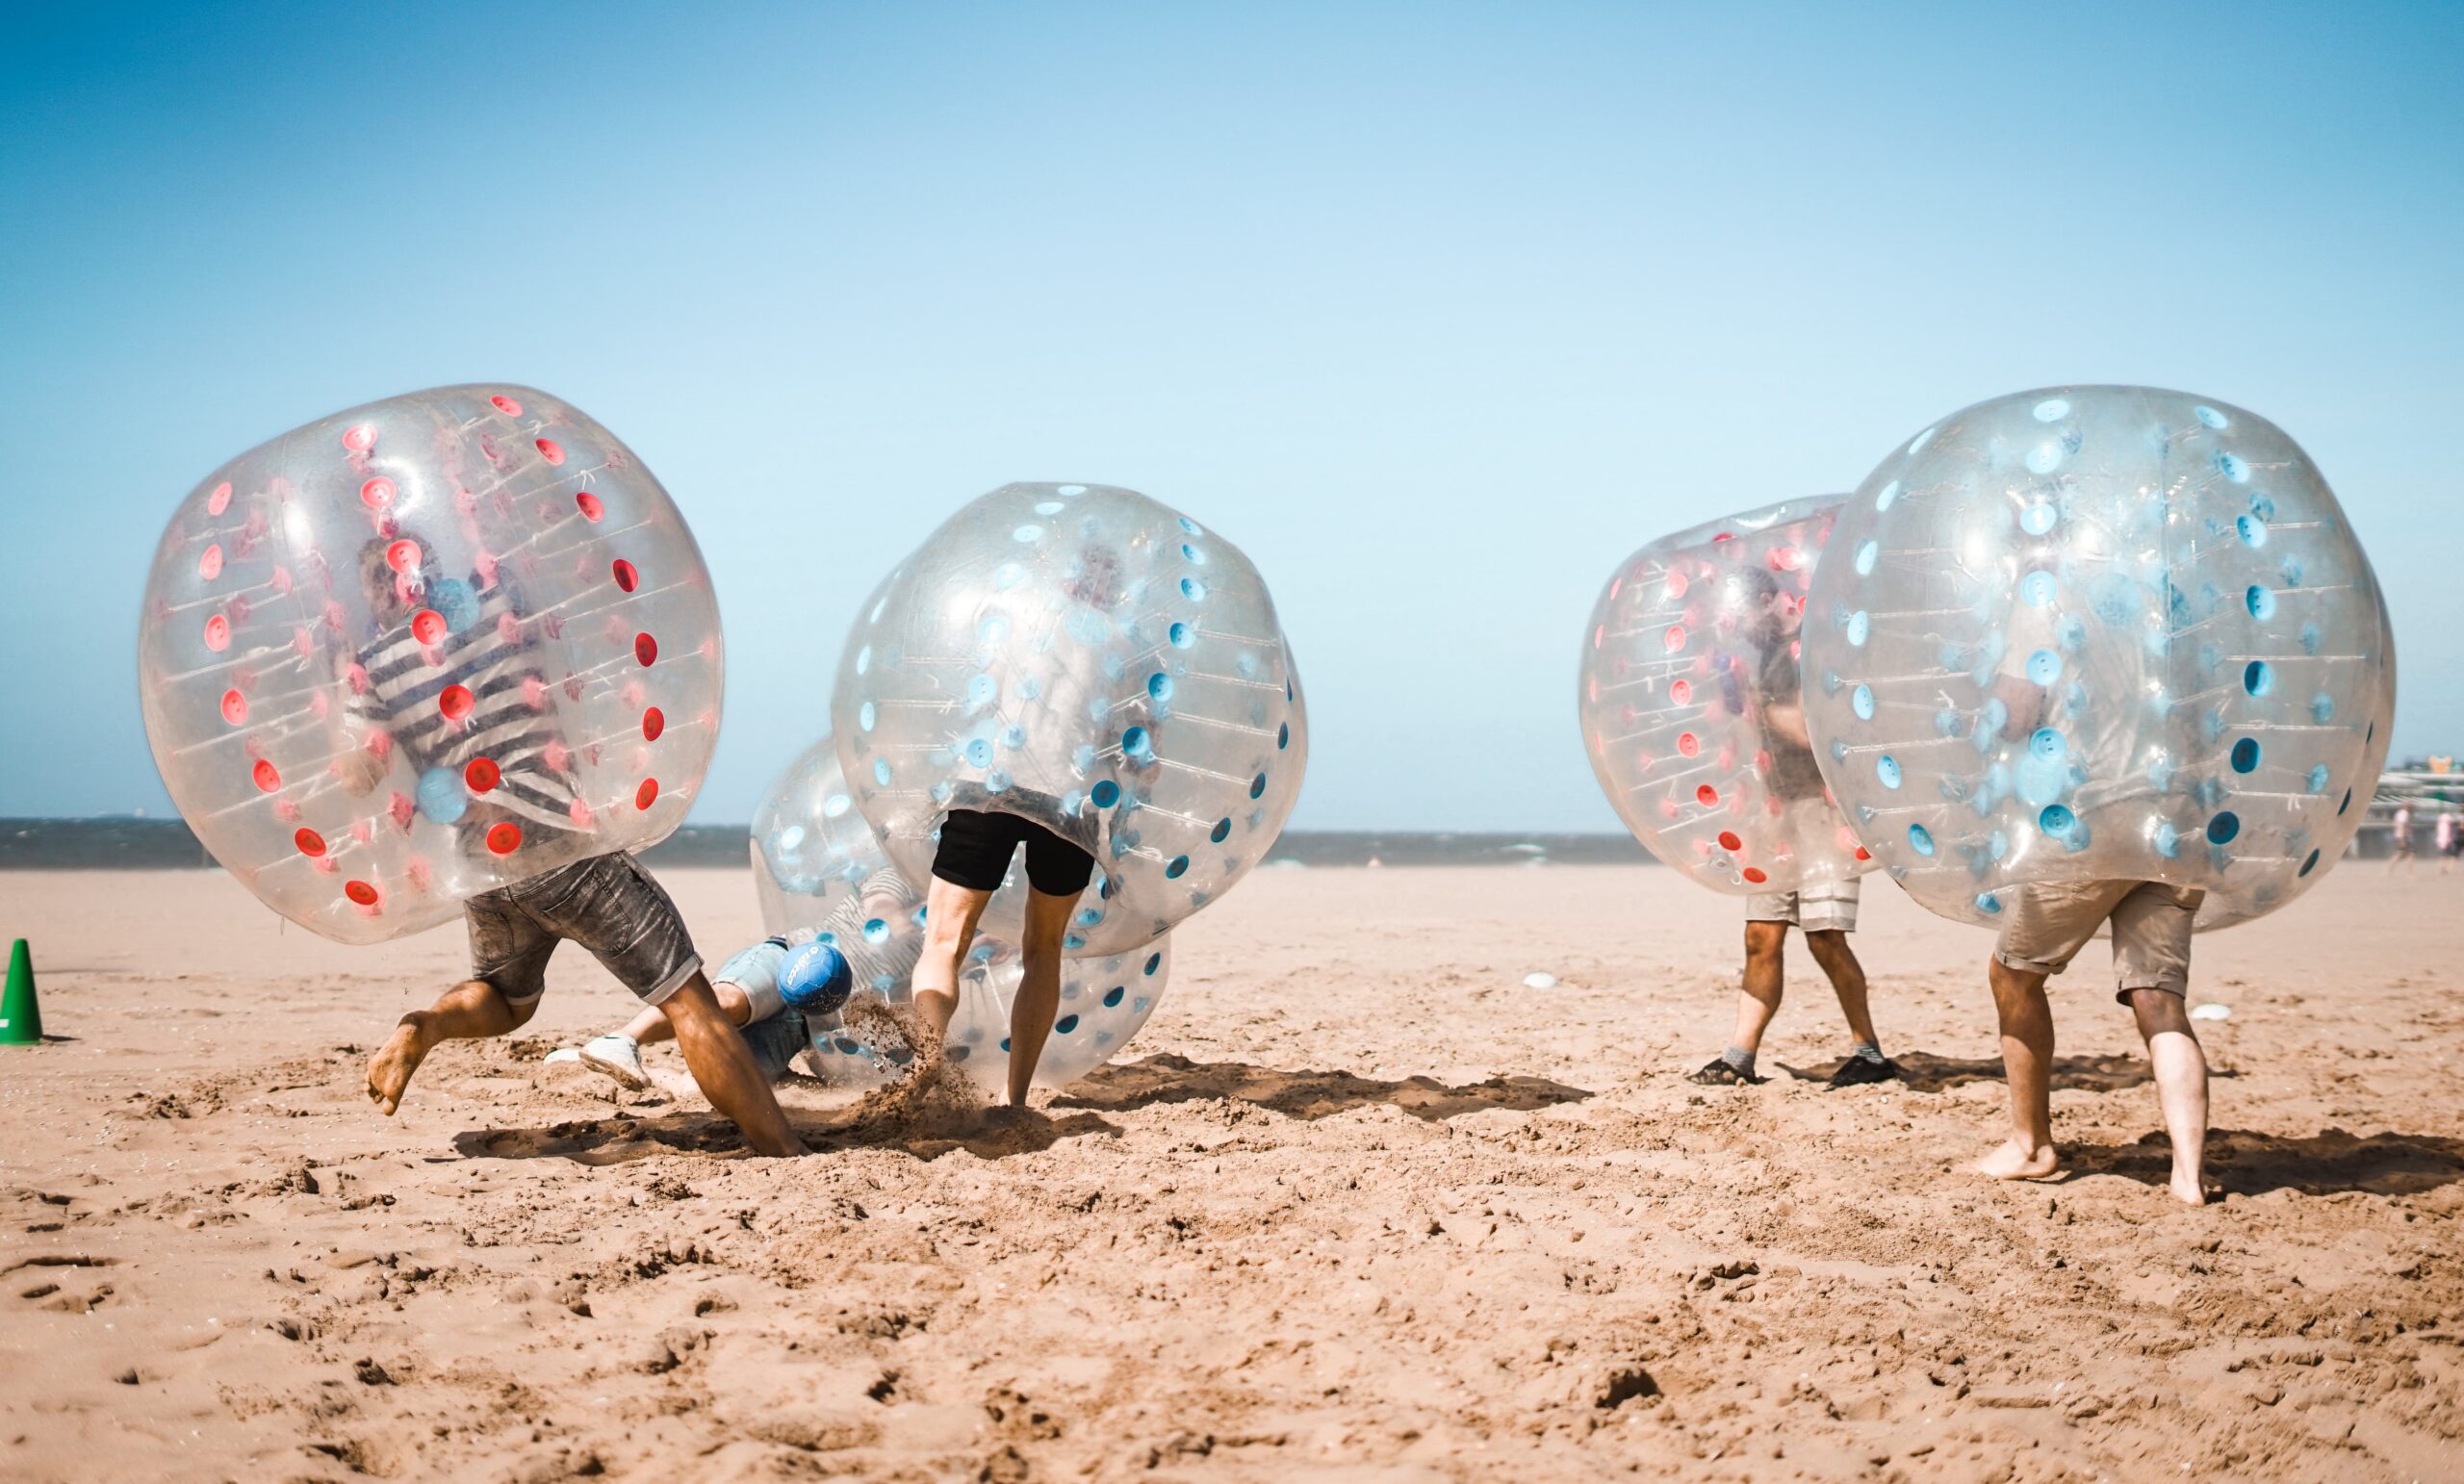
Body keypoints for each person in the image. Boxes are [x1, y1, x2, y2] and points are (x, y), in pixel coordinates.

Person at [342, 532, 804, 1156]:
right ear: (431, 575)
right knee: (688, 998)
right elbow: (559, 590)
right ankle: (783, 1151)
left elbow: (359, 773)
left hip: (485, 864)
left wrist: (345, 683)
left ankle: (424, 1027)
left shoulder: (370, 669)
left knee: (506, 998)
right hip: (556, 840)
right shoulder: (496, 603)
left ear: (373, 595)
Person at [1973, 607, 2208, 1206]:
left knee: (2014, 974)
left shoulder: (2042, 609)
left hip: (2090, 820)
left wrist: (1981, 693)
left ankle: (2031, 1146)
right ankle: (2188, 1174)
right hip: (2175, 817)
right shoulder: (2162, 615)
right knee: (2159, 997)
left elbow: (2016, 717)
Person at [1691, 567, 1899, 1089]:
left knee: (1826, 938)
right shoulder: (1760, 660)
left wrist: (1755, 701)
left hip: (1822, 815)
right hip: (1775, 813)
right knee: (1760, 937)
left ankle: (1868, 1053)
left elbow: (1815, 734)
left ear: (1767, 601)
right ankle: (1738, 1057)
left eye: (1740, 612)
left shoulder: (1804, 651)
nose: (1735, 624)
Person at [574, 862, 915, 1090]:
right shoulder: (900, 875)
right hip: (792, 960)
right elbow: (884, 913)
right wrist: (921, 928)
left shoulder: (950, 935)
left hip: (808, 1026)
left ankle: (655, 1077)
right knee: (727, 1003)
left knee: (703, 1088)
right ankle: (622, 1039)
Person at [905, 806, 1095, 1110]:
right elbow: (1143, 770)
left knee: (943, 944)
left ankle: (926, 1057)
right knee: (1045, 948)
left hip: (990, 784)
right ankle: (1014, 1098)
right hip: (1072, 801)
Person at [2389, 804, 2415, 874]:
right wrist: (2403, 838)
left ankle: (2389, 870)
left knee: (2405, 854)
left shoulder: (2399, 813)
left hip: (2399, 836)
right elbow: (2402, 826)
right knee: (2408, 854)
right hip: (2403, 836)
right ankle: (2409, 873)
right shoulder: (2404, 814)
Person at [2436, 806, 2458, 877]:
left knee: (2443, 856)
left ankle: (2442, 869)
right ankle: (2443, 869)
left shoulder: (2440, 819)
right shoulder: (2448, 819)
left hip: (2440, 840)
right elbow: (2450, 830)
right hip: (2446, 840)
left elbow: (2438, 829)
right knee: (2450, 856)